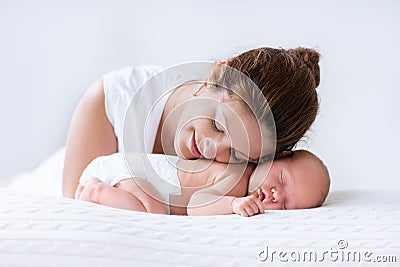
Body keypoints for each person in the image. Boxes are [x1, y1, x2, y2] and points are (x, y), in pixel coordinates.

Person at [63, 47, 321, 199]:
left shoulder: (244, 171)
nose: (211, 149)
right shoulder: (114, 98)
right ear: (217, 75)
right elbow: (76, 201)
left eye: (236, 154)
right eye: (217, 125)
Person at [75, 150, 330, 216]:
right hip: (126, 172)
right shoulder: (236, 177)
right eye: (283, 180)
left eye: (286, 204)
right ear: (273, 157)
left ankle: (98, 190)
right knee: (153, 211)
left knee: (154, 206)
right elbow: (195, 206)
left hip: (123, 170)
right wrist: (232, 204)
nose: (276, 195)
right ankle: (97, 192)